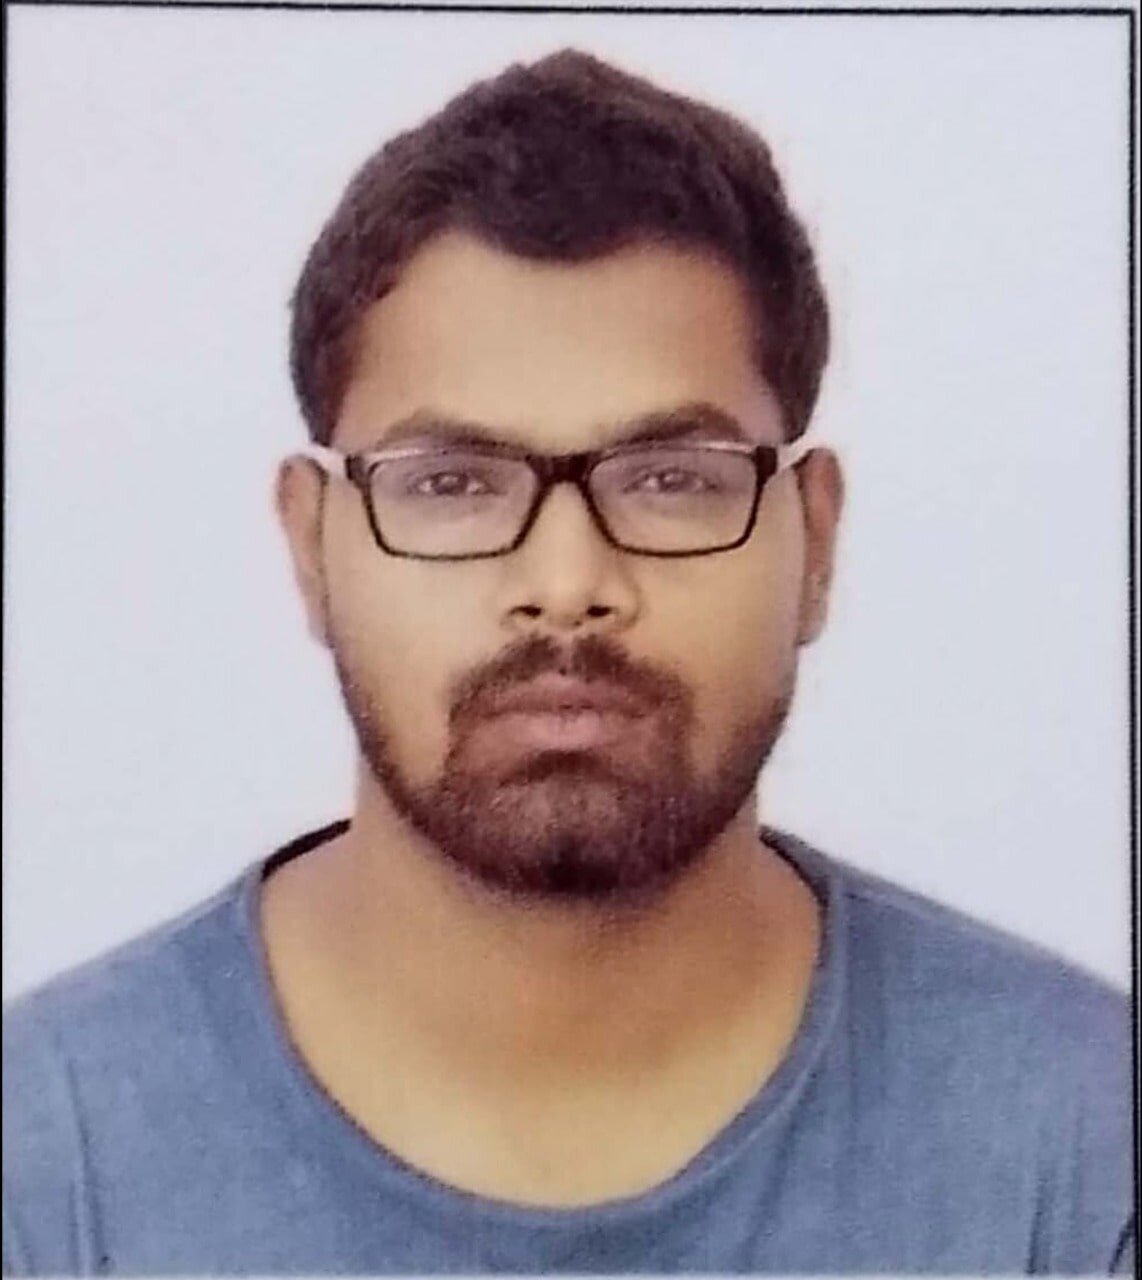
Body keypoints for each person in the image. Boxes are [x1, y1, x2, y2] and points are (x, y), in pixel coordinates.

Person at [2, 48, 1132, 1276]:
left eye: (671, 477)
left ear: (813, 540)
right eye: (449, 482)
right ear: (311, 547)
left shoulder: (1083, 1150)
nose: (565, 583)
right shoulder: (41, 1169)